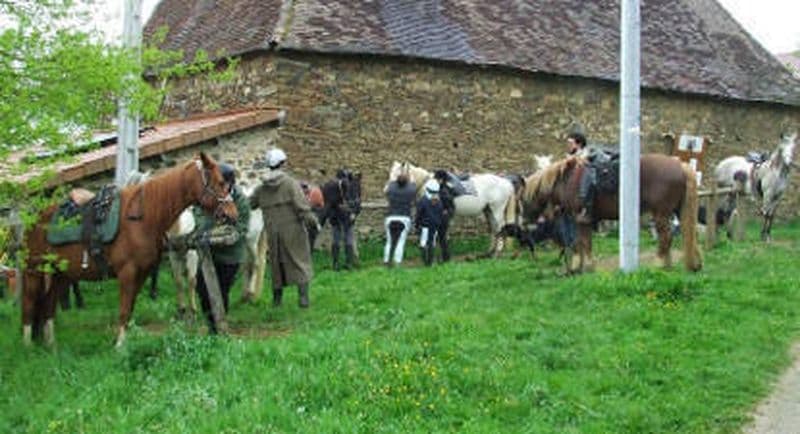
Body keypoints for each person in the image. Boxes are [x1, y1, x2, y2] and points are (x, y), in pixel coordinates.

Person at [250, 148, 318, 308]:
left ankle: (277, 301)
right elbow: (302, 208)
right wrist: (314, 222)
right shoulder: (290, 184)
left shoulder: (262, 188)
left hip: (273, 232)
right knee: (300, 261)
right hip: (293, 230)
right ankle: (303, 299)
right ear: (282, 163)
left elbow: (250, 204)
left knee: (276, 265)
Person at [190, 163, 251, 334]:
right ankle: (210, 323)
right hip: (208, 253)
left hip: (230, 256)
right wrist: (208, 228)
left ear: (231, 183)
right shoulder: (209, 196)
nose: (220, 187)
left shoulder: (241, 201)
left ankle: (219, 326)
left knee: (221, 291)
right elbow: (199, 214)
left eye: (223, 184)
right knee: (202, 288)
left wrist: (228, 235)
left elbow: (242, 227)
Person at [383, 171, 417, 266]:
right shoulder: (411, 189)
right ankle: (397, 261)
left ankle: (386, 260)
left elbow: (386, 188)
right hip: (404, 218)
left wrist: (392, 177)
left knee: (389, 241)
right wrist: (412, 178)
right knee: (400, 241)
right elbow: (414, 184)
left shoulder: (391, 187)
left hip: (390, 217)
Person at [415, 179, 445, 266]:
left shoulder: (423, 200)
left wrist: (417, 224)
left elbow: (419, 214)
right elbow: (440, 214)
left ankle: (426, 263)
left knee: (423, 244)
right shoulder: (439, 201)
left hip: (425, 226)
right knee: (432, 243)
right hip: (435, 226)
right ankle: (430, 262)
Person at [433, 170, 455, 262]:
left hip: (442, 218)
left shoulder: (443, 191)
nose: (435, 181)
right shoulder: (443, 188)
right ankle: (443, 257)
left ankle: (445, 258)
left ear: (441, 180)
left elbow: (448, 206)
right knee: (441, 238)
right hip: (441, 217)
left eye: (437, 179)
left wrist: (444, 212)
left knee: (442, 238)